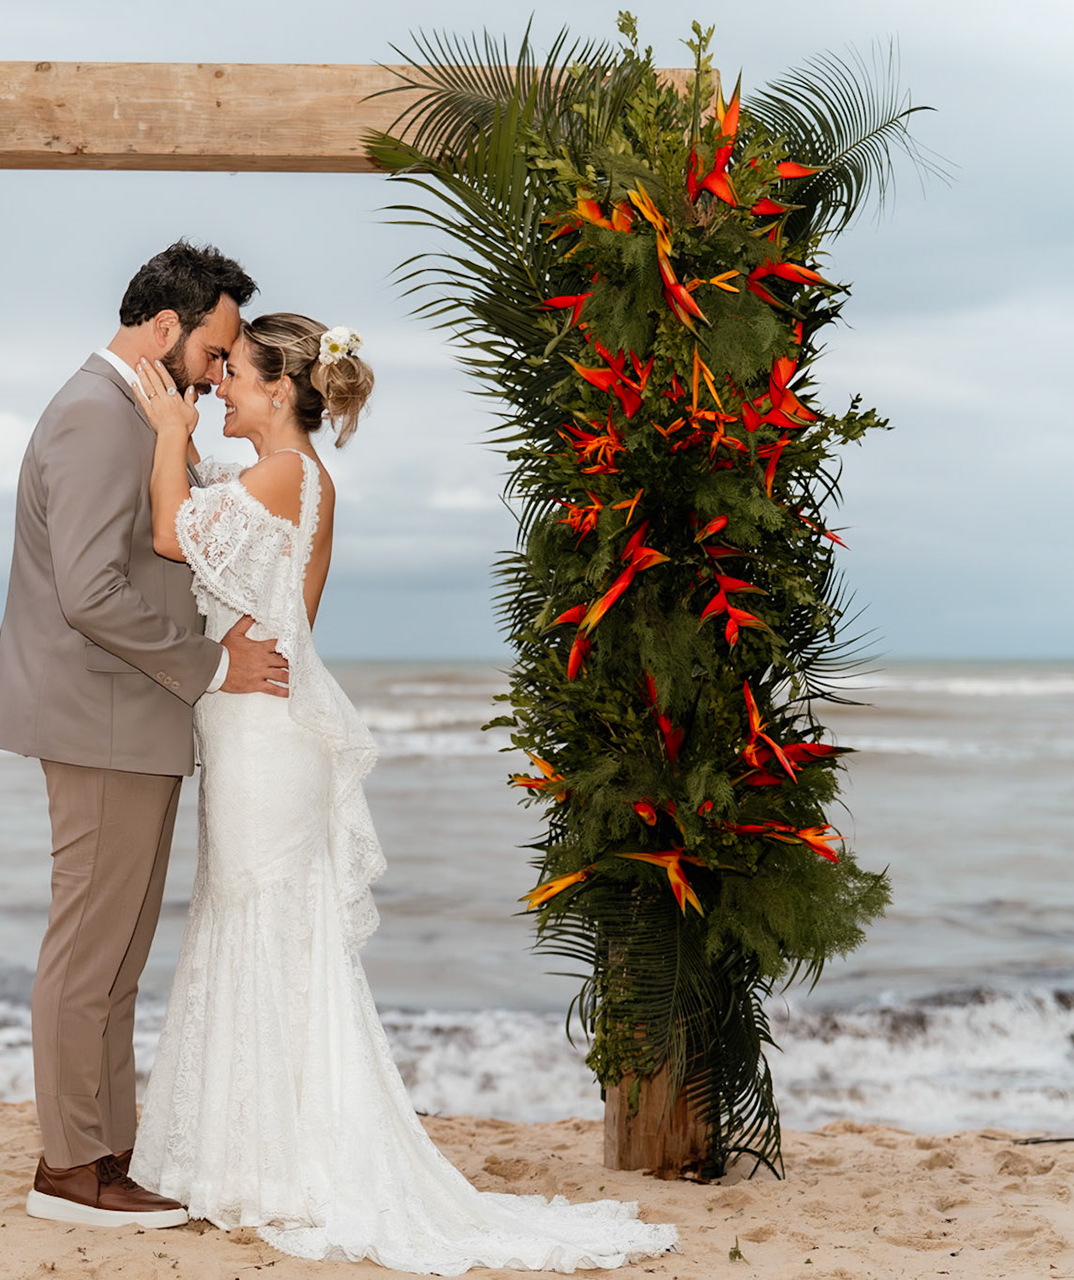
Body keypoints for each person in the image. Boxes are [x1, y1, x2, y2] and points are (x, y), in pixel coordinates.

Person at [125, 313, 681, 1272]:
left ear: (280, 390)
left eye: (235, 375)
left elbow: (171, 534)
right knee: (255, 927)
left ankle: (273, 1164)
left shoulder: (285, 474)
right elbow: (212, 518)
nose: (218, 388)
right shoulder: (288, 477)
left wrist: (169, 433)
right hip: (253, 731)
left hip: (262, 738)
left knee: (261, 927)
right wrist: (177, 439)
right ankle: (253, 1152)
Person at [0, 241, 290, 1229]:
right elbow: (91, 592)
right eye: (215, 349)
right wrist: (213, 665)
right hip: (101, 715)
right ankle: (71, 1168)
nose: (218, 369)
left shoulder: (133, 414)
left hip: (129, 717)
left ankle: (102, 1149)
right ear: (164, 327)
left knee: (116, 956)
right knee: (89, 951)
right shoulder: (94, 414)